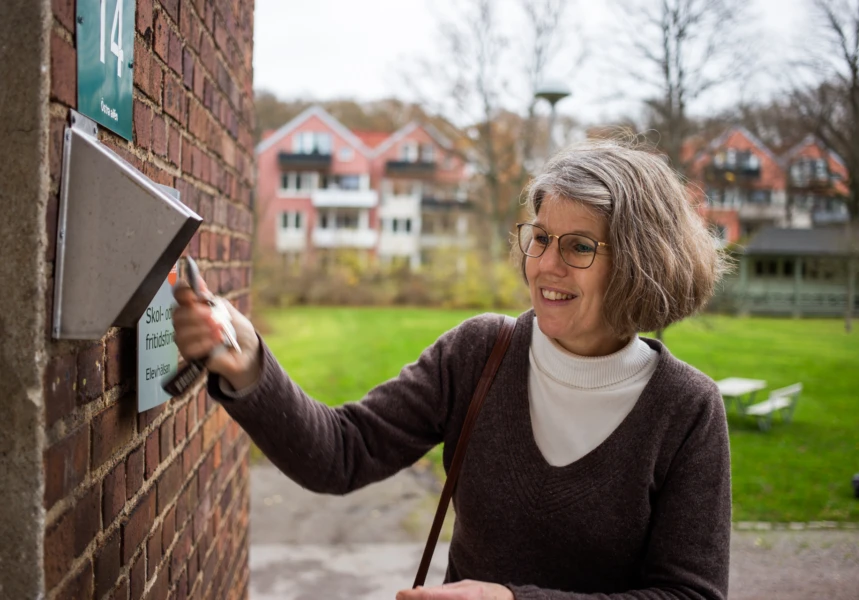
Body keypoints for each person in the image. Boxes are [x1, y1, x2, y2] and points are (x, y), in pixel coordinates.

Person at [173, 137, 732, 600]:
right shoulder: (480, 353)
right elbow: (342, 453)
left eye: (579, 246)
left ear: (639, 260)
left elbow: (690, 595)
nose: (546, 265)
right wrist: (249, 368)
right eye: (539, 238)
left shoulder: (686, 409)